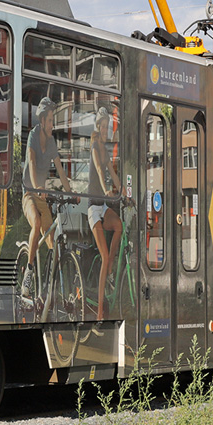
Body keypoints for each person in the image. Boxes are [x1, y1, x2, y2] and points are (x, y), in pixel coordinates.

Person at [21, 97, 66, 301]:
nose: (52, 124)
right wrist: (36, 186)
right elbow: (31, 161)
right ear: (42, 121)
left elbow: (60, 169)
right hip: (30, 193)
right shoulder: (33, 136)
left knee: (53, 239)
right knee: (37, 223)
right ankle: (29, 274)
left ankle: (50, 286)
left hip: (42, 195)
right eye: (50, 120)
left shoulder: (51, 142)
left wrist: (72, 192)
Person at [88, 101, 123, 320]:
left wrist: (124, 192)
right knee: (103, 254)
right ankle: (100, 311)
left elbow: (111, 171)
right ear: (97, 126)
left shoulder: (106, 148)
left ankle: (110, 269)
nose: (105, 129)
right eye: (102, 125)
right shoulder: (94, 146)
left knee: (119, 226)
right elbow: (101, 172)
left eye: (107, 125)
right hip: (93, 207)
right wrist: (106, 192)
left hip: (103, 207)